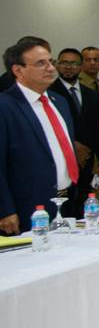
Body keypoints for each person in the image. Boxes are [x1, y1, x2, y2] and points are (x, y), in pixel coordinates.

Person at [0, 38, 79, 235]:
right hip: (27, 208)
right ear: (18, 70)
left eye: (51, 61)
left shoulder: (59, 102)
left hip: (67, 201)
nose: (51, 68)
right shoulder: (5, 106)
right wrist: (4, 210)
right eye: (41, 63)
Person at [52, 47, 99, 216]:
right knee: (64, 208)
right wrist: (72, 146)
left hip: (87, 161)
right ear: (57, 65)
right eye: (64, 63)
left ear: (80, 66)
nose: (68, 67)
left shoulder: (91, 94)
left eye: (73, 63)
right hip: (62, 160)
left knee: (84, 206)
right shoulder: (50, 92)